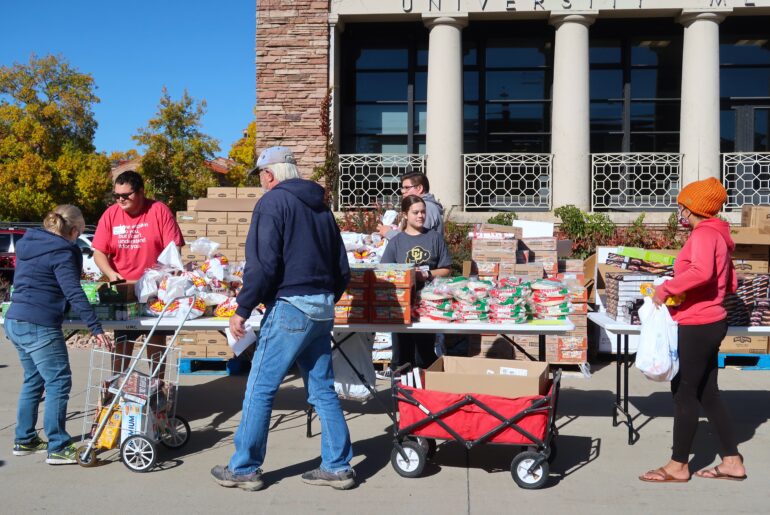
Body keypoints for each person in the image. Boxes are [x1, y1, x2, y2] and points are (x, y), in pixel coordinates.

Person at [211, 146, 355, 491]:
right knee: (321, 389)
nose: (261, 182)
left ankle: (244, 468)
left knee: (260, 387)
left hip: (292, 305)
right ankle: (337, 466)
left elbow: (263, 264)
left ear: (270, 174)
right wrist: (325, 299)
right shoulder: (321, 208)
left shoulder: (273, 203)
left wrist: (243, 308)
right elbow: (342, 268)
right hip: (321, 308)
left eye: (261, 175)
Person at [639, 177, 747, 483]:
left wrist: (667, 289)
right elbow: (732, 283)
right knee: (708, 393)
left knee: (683, 392)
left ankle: (678, 465)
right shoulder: (721, 235)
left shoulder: (703, 234)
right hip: (712, 320)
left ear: (693, 208)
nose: (680, 214)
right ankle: (732, 461)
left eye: (682, 208)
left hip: (697, 322)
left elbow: (701, 271)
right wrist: (696, 290)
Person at [5, 205, 111, 465]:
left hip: (15, 318)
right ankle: (58, 445)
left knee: (34, 380)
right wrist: (95, 327)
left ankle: (25, 439)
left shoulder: (29, 242)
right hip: (38, 323)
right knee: (59, 382)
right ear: (74, 230)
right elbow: (74, 291)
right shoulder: (63, 252)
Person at [91, 170, 184, 371]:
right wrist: (111, 273)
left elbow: (173, 248)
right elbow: (98, 252)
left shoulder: (158, 210)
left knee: (156, 338)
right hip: (125, 289)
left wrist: (168, 273)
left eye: (126, 195)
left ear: (141, 191)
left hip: (155, 291)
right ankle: (118, 387)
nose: (120, 200)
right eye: (116, 196)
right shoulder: (110, 214)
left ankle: (156, 388)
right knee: (123, 339)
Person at [379, 195, 452, 376]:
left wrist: (425, 274)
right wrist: (403, 276)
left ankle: (426, 397)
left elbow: (446, 269)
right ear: (405, 214)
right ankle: (401, 399)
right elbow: (384, 271)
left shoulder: (434, 238)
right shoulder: (396, 242)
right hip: (401, 306)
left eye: (423, 212)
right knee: (401, 358)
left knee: (424, 355)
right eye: (415, 212)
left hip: (428, 305)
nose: (420, 216)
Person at [378, 172, 444, 239]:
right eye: (402, 188)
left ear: (419, 188)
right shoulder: (422, 206)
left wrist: (389, 233)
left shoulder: (427, 207)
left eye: (407, 187)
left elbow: (417, 239)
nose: (403, 191)